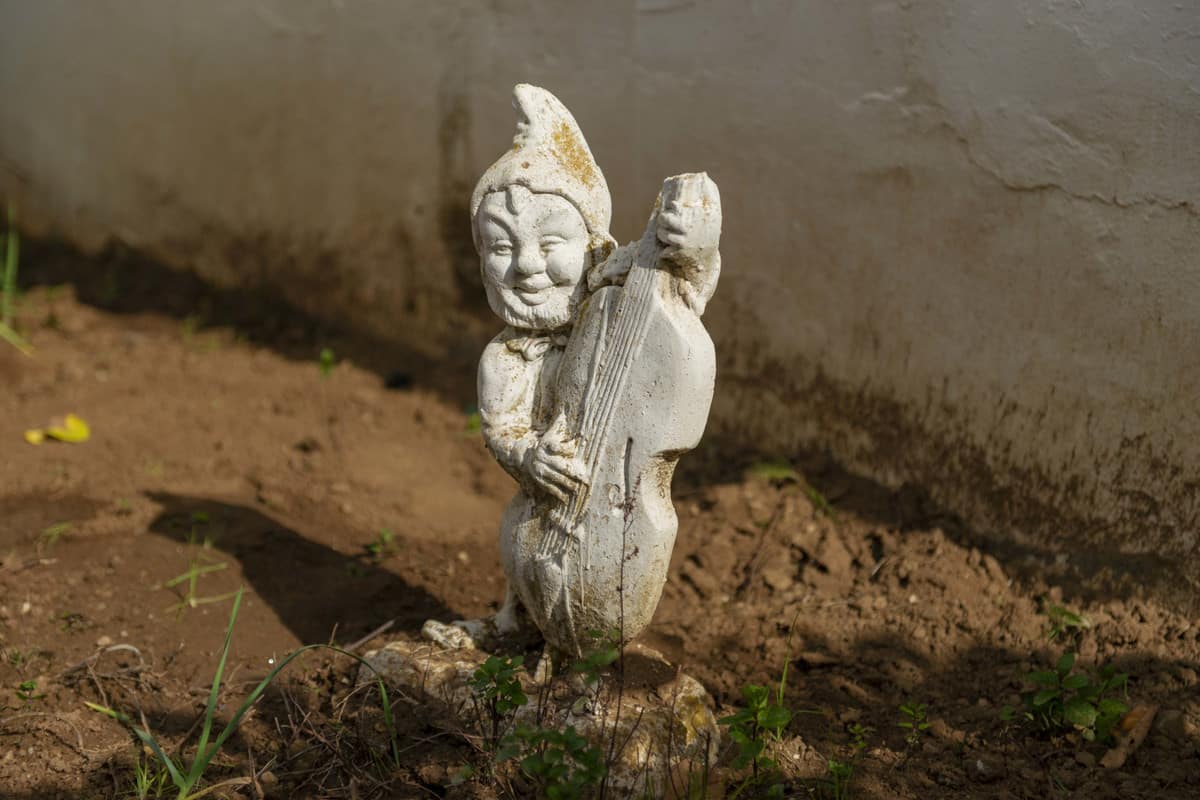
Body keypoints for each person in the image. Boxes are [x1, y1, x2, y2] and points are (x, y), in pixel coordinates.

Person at [423, 84, 720, 657]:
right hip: (548, 506)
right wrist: (528, 457)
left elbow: (685, 292)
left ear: (594, 244)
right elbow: (503, 430)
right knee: (524, 532)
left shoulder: (617, 295)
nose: (526, 266)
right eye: (500, 248)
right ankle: (516, 619)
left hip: (616, 502)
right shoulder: (506, 359)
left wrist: (695, 248)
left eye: (550, 242)